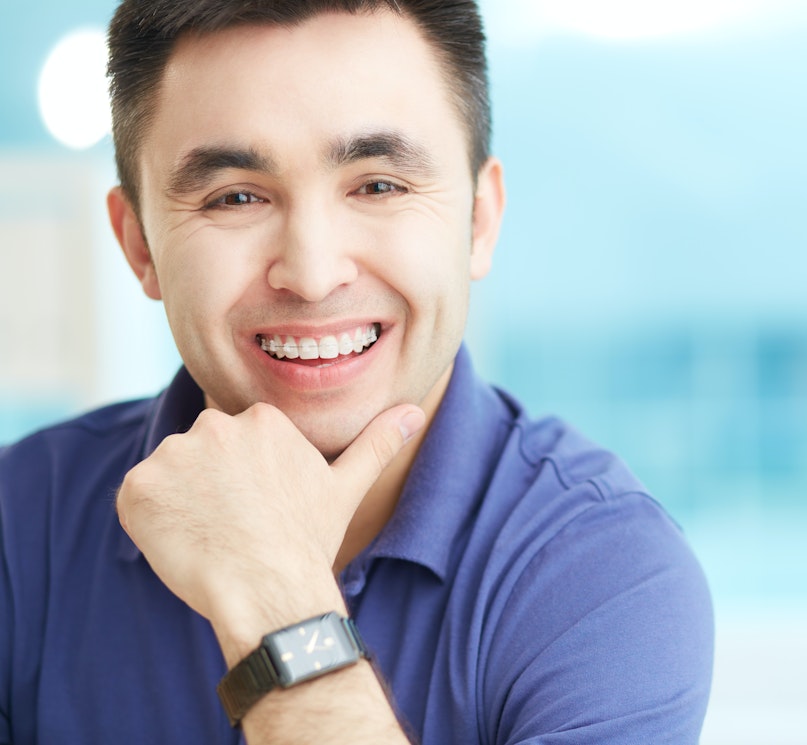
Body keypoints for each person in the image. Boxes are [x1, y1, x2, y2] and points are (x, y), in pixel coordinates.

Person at [0, 1, 713, 742]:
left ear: (478, 220)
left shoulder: (607, 576)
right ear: (139, 244)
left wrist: (278, 600)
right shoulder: (16, 527)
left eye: (378, 185)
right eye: (236, 196)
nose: (311, 274)